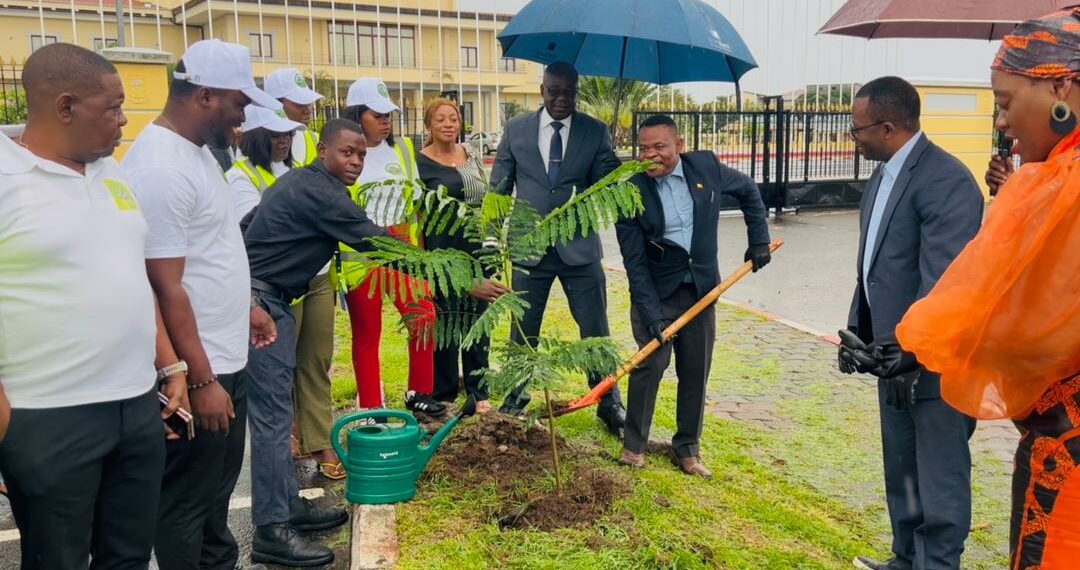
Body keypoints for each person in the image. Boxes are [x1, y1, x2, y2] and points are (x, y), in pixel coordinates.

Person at [896, 10, 1080, 568]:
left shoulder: (1058, 183)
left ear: (1059, 85)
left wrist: (920, 338)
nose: (1002, 121)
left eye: (1004, 101)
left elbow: (1011, 332)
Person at [0, 43, 185, 568]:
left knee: (127, 555)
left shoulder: (112, 173)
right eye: (113, 107)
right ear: (65, 107)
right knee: (57, 558)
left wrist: (168, 364)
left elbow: (130, 275)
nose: (125, 120)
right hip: (46, 414)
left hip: (134, 406)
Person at [123, 39, 279, 570]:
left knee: (213, 497)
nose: (242, 116)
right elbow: (163, 287)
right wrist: (200, 380)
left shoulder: (195, 153)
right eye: (238, 103)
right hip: (198, 370)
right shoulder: (160, 169)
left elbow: (210, 253)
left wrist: (245, 308)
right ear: (206, 95)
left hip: (222, 354)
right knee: (187, 502)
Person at [837, 76, 984, 570]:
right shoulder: (881, 178)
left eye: (857, 129)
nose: (851, 137)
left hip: (936, 362)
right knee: (901, 466)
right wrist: (858, 331)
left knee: (938, 473)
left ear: (888, 126)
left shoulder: (946, 180)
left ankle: (936, 564)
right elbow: (876, 267)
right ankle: (905, 559)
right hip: (891, 357)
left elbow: (945, 281)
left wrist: (915, 350)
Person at [242, 118, 395, 566]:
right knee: (272, 419)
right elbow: (374, 241)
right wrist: (455, 276)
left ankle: (287, 504)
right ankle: (271, 531)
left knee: (277, 410)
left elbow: (245, 225)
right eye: (347, 152)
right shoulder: (320, 192)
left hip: (267, 296)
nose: (355, 162)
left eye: (362, 154)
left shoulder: (297, 181)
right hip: (262, 304)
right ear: (323, 150)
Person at [615, 115, 771, 479]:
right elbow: (634, 263)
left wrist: (759, 239)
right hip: (656, 290)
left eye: (659, 147)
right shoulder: (631, 190)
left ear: (679, 146)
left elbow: (748, 190)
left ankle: (686, 449)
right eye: (643, 148)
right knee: (649, 366)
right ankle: (634, 446)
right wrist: (652, 314)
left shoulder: (706, 167)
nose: (650, 156)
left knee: (695, 368)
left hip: (701, 288)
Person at [489, 61, 625, 434]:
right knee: (523, 329)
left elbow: (607, 186)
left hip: (578, 249)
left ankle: (607, 400)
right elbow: (498, 190)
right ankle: (515, 397)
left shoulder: (595, 132)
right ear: (542, 90)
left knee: (595, 327)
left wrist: (613, 169)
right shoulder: (516, 130)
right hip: (528, 249)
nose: (562, 99)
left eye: (569, 92)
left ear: (577, 92)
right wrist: (489, 238)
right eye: (554, 91)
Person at [339, 77, 445, 417]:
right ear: (357, 115)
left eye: (389, 114)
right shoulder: (347, 155)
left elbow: (415, 202)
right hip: (363, 252)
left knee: (423, 316)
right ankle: (371, 405)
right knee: (368, 333)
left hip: (402, 249)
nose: (386, 120)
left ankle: (419, 392)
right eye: (378, 113)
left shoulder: (401, 150)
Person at [417, 98, 508, 414]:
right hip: (442, 251)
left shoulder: (470, 155)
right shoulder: (420, 163)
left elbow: (485, 200)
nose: (447, 124)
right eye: (440, 118)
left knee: (477, 322)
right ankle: (443, 394)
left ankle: (478, 391)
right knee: (446, 321)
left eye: (453, 118)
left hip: (476, 247)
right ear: (429, 124)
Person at [227, 105, 303, 216]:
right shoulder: (239, 176)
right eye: (276, 134)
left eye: (288, 133)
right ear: (254, 138)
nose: (285, 140)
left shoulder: (298, 167)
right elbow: (252, 227)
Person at [264, 67, 323, 166]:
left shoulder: (318, 141)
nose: (307, 110)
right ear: (275, 104)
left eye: (309, 103)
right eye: (299, 103)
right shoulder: (257, 145)